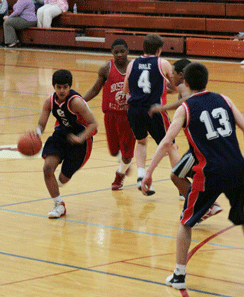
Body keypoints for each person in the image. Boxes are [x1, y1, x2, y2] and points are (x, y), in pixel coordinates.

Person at [142, 62, 244, 290]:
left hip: (209, 172)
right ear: (206, 81)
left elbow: (167, 142)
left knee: (186, 222)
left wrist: (148, 172)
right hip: (238, 168)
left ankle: (179, 275)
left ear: (185, 82)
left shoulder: (185, 108)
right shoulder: (224, 99)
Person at [150, 58, 223, 223]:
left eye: (172, 73)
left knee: (176, 175)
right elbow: (175, 91)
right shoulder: (189, 87)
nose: (171, 76)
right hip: (213, 145)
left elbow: (186, 101)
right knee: (192, 173)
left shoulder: (184, 87)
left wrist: (163, 107)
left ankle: (204, 207)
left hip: (202, 146)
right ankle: (210, 204)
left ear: (182, 75)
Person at [32, 69, 97, 219]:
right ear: (53, 86)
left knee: (62, 179)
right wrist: (36, 132)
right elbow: (42, 123)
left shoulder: (76, 102)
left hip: (81, 139)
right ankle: (58, 205)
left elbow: (93, 124)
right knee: (48, 168)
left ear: (70, 87)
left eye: (65, 87)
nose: (62, 90)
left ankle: (60, 182)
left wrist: (80, 138)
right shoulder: (49, 101)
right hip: (61, 134)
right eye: (59, 87)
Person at [123, 33, 180, 195]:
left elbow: (126, 89)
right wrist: (163, 88)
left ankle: (141, 177)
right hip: (154, 111)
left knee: (141, 142)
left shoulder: (132, 64)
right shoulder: (163, 63)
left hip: (134, 110)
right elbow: (175, 87)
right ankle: (182, 188)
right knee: (171, 146)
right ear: (159, 49)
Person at [83, 39, 136, 190]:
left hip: (128, 116)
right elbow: (94, 90)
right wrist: (78, 101)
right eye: (116, 52)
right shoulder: (106, 67)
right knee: (114, 152)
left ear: (128, 51)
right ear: (111, 53)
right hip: (110, 115)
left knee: (126, 155)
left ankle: (119, 176)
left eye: (122, 51)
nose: (119, 54)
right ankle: (124, 164)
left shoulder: (135, 67)